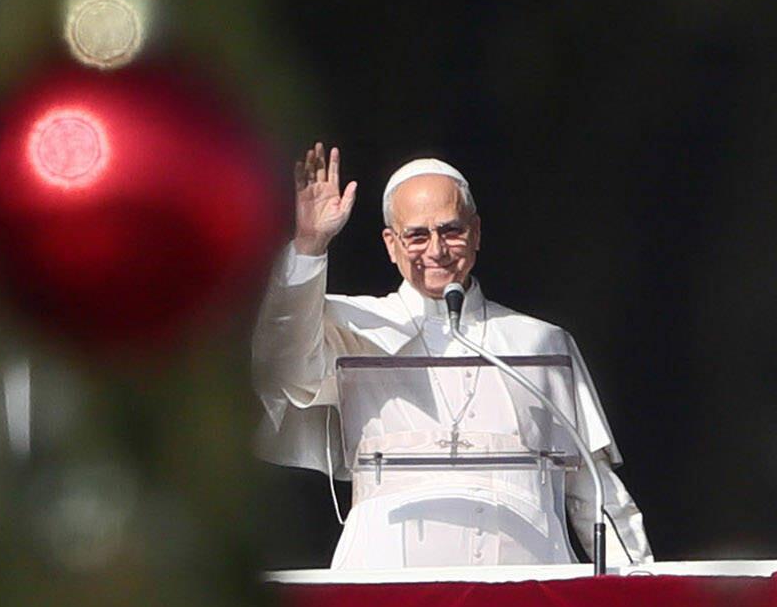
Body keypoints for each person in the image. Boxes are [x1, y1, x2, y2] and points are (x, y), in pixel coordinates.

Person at [252, 144, 652, 570]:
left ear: (476, 233)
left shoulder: (539, 342)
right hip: (389, 585)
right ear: (391, 244)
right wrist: (310, 246)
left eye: (451, 230)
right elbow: (284, 365)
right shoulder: (350, 327)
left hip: (526, 583)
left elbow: (592, 490)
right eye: (417, 235)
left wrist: (636, 587)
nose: (437, 250)